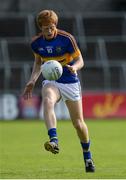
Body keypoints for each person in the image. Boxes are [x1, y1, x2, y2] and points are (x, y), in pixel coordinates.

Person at [22, 9, 95, 173]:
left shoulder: (67, 38)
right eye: (45, 28)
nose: (49, 31)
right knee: (47, 100)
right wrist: (32, 80)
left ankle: (88, 157)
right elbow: (38, 63)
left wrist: (74, 67)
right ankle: (53, 140)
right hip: (52, 81)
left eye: (52, 27)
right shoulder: (36, 43)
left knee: (78, 124)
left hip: (70, 81)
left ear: (55, 25)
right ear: (40, 28)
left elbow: (80, 60)